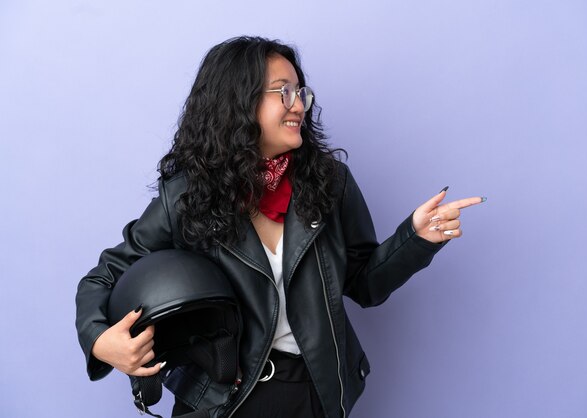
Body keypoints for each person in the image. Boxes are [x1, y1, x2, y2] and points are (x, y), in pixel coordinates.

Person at [75, 36, 485, 418]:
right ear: (238, 102)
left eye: (301, 92)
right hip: (222, 400)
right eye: (283, 92)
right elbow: (104, 277)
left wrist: (415, 239)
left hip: (311, 393)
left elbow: (364, 284)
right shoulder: (186, 197)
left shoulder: (331, 182)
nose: (299, 105)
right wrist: (100, 341)